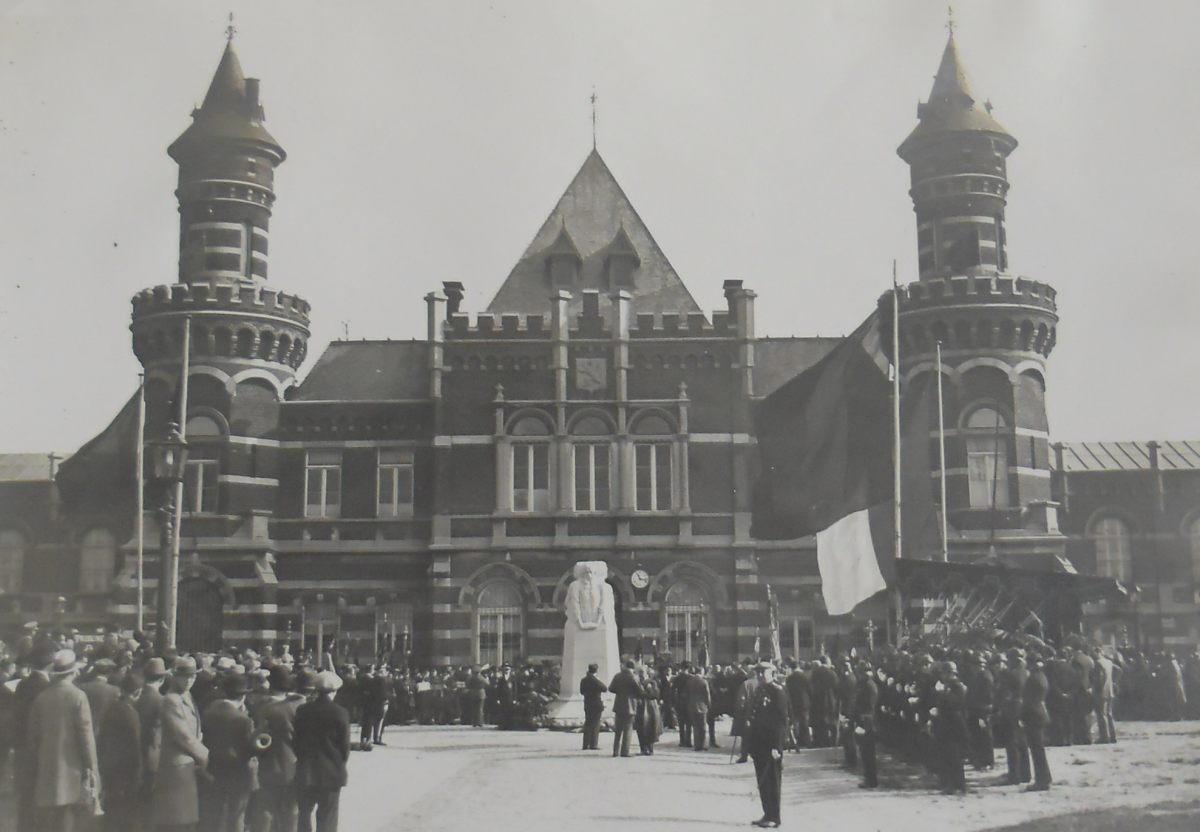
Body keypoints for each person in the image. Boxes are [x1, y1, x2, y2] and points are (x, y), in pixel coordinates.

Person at [28, 649, 99, 832]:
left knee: (50, 816)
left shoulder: (41, 698)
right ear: (73, 672)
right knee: (69, 817)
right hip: (72, 766)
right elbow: (85, 734)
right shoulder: (78, 696)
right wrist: (90, 765)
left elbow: (33, 737)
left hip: (47, 765)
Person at [149, 655, 210, 831]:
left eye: (192, 676)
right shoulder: (171, 700)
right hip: (176, 768)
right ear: (174, 676)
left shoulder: (187, 695)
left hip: (188, 765)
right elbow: (183, 736)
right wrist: (205, 755)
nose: (189, 680)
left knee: (186, 821)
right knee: (177, 821)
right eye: (184, 676)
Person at [200, 674, 260, 832]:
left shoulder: (210, 709)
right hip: (238, 773)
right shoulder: (243, 719)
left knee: (217, 814)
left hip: (214, 768)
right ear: (243, 695)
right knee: (236, 818)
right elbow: (248, 750)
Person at [294, 671, 351, 832]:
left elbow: (296, 740)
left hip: (306, 770)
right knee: (328, 816)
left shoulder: (303, 710)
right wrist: (340, 762)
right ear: (334, 691)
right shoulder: (340, 712)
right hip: (331, 772)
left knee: (304, 814)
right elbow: (344, 746)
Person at [251, 665, 304, 832]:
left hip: (265, 765)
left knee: (265, 812)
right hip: (292, 765)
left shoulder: (258, 706)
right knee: (290, 812)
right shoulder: (297, 706)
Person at [98, 671, 145, 831]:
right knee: (125, 817)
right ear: (137, 692)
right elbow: (135, 747)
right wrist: (138, 777)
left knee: (111, 814)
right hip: (125, 773)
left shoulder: (110, 708)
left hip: (109, 769)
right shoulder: (131, 715)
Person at [744, 662, 788, 829]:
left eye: (764, 672)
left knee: (772, 781)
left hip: (771, 745)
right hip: (759, 745)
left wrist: (777, 746)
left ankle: (774, 817)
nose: (760, 675)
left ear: (773, 673)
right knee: (762, 781)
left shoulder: (778, 692)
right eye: (758, 672)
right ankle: (767, 813)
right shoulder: (758, 691)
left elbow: (781, 721)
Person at [1021, 653, 1053, 792]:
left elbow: (1028, 700)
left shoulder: (1033, 679)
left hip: (1033, 715)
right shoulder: (1042, 676)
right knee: (1039, 749)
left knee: (1036, 749)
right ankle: (1045, 777)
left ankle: (1042, 780)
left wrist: (1022, 715)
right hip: (1040, 713)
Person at [608, 659, 643, 758]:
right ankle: (625, 751)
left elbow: (611, 689)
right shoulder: (633, 677)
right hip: (630, 705)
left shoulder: (617, 676)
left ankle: (615, 751)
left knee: (618, 730)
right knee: (628, 729)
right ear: (633, 667)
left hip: (619, 704)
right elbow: (640, 690)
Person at [852, 661, 879, 789]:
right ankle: (868, 778)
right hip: (863, 721)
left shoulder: (869, 686)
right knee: (865, 752)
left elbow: (869, 707)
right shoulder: (864, 685)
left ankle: (871, 780)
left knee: (868, 753)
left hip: (867, 723)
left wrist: (863, 723)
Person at [579, 663, 607, 751]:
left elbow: (582, 691)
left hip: (587, 703)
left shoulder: (584, 680)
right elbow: (604, 688)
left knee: (588, 723)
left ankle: (585, 744)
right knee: (595, 724)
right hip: (596, 703)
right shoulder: (595, 680)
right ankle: (593, 743)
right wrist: (597, 679)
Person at [684, 665, 712, 751]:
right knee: (702, 727)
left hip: (692, 706)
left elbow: (687, 694)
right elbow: (707, 695)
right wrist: (709, 705)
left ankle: (696, 745)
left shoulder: (689, 681)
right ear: (701, 672)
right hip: (702, 707)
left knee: (695, 727)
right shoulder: (704, 682)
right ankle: (702, 745)